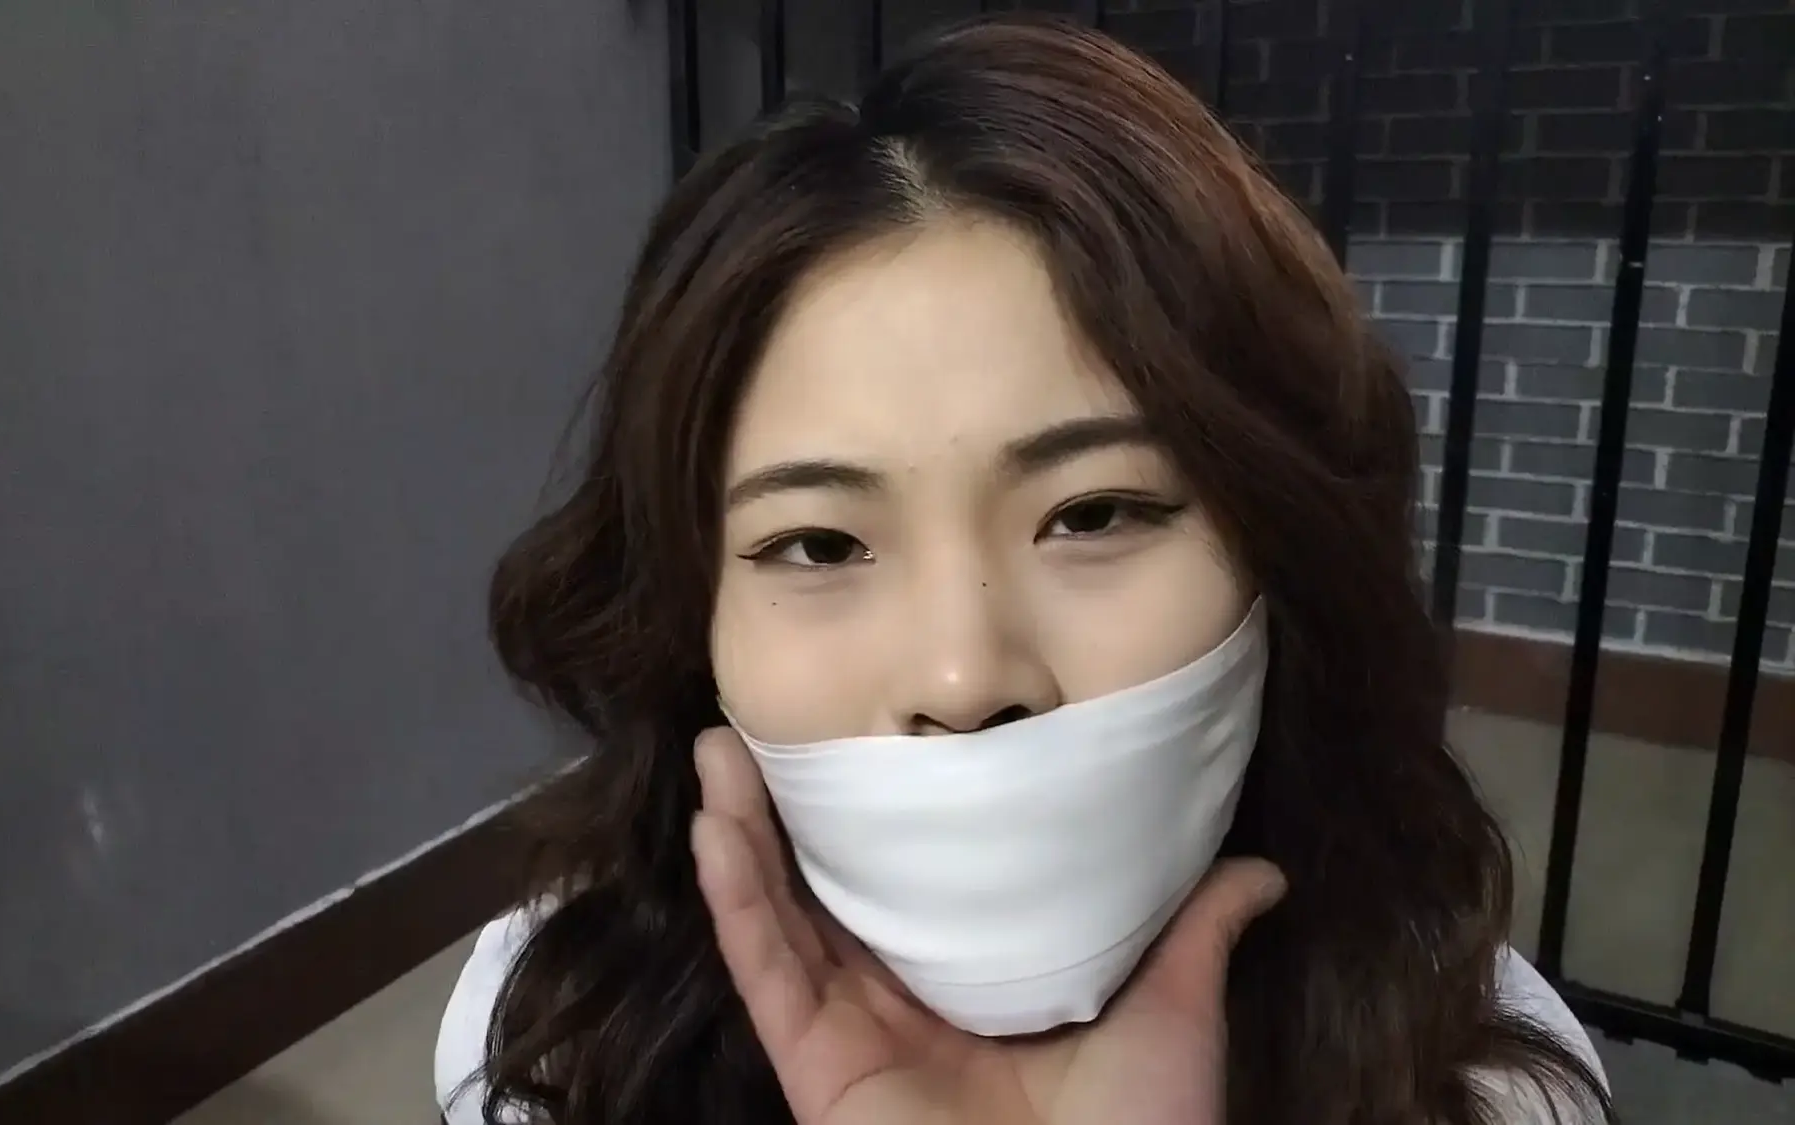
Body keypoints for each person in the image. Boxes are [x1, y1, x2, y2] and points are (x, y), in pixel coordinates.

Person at [436, 14, 1613, 1125]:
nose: (961, 680)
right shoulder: (548, 1042)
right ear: (695, 617)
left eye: (1092, 515)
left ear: (1278, 555)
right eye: (819, 545)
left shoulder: (1489, 1085)